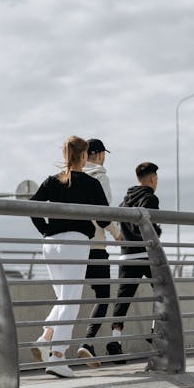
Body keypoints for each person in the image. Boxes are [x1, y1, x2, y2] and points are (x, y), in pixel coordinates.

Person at [29, 136, 111, 378]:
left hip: (50, 243)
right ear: (84, 156)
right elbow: (105, 219)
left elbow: (32, 206)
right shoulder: (90, 183)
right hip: (75, 242)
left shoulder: (52, 180)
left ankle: (46, 338)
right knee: (70, 300)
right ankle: (57, 357)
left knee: (63, 297)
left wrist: (44, 230)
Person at [108, 162, 161, 364]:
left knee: (123, 299)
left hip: (126, 255)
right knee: (163, 291)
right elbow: (149, 227)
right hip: (145, 254)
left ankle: (115, 340)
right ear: (152, 179)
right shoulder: (150, 198)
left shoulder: (125, 201)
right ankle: (156, 331)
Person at [78, 138, 123, 368]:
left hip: (72, 247)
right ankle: (87, 342)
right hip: (95, 245)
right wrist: (116, 232)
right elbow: (102, 211)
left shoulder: (71, 176)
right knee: (103, 294)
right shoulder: (99, 176)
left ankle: (52, 347)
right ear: (98, 155)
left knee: (68, 298)